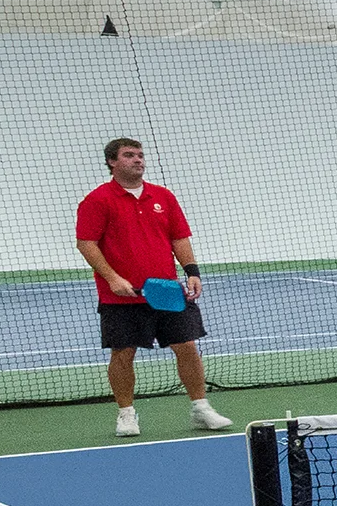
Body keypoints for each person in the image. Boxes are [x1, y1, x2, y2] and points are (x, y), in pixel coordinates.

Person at [75, 138, 231, 436]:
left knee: (187, 347)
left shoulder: (164, 197)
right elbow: (86, 244)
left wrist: (192, 272)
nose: (138, 160)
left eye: (140, 155)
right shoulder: (97, 200)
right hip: (121, 295)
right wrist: (112, 278)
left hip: (167, 291)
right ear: (112, 161)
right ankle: (126, 415)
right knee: (123, 353)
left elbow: (179, 238)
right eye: (129, 155)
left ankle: (201, 408)